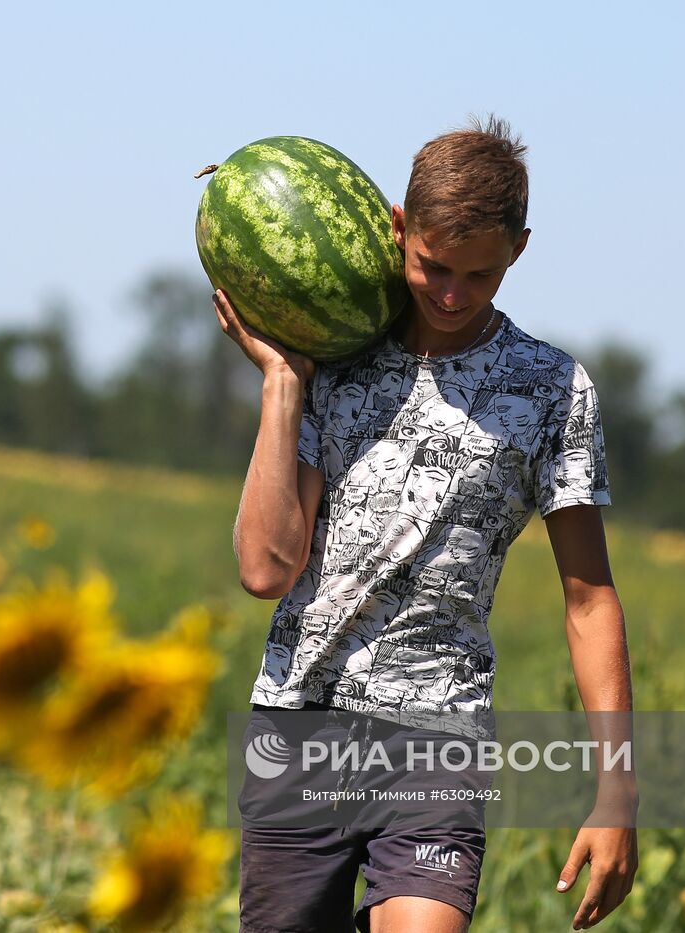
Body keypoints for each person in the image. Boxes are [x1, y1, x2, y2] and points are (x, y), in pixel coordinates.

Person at [214, 115, 638, 932]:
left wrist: (617, 789)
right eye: (431, 266)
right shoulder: (334, 360)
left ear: (519, 248)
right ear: (398, 230)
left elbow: (590, 601)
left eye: (478, 275)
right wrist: (280, 380)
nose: (450, 294)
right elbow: (266, 569)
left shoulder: (553, 390)